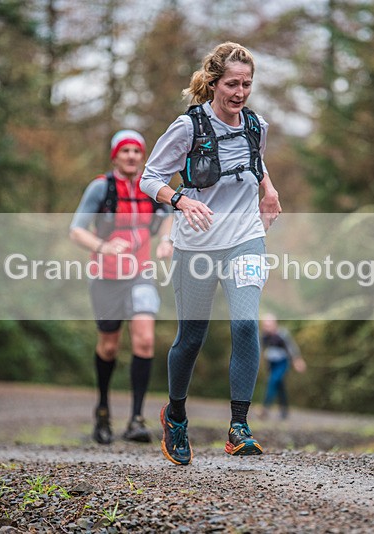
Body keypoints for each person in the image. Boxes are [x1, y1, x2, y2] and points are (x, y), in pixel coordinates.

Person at [140, 42, 282, 465]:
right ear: (214, 83)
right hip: (196, 244)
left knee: (244, 324)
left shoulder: (257, 125)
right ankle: (176, 415)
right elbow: (150, 177)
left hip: (245, 237)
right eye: (232, 84)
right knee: (191, 339)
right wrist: (181, 200)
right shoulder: (188, 127)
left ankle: (239, 427)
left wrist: (268, 187)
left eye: (247, 85)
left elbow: (254, 160)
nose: (240, 93)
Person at [70, 129, 172, 445]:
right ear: (115, 156)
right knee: (109, 345)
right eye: (125, 151)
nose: (131, 157)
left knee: (144, 339)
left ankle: (137, 420)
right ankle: (102, 411)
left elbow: (170, 214)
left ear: (143, 157)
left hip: (141, 273)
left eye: (136, 152)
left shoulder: (152, 187)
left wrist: (166, 240)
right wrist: (103, 247)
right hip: (105, 275)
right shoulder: (101, 188)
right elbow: (76, 230)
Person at [259, 313, 306, 420]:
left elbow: (291, 348)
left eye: (268, 325)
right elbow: (260, 348)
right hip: (271, 363)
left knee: (273, 380)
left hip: (282, 362)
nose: (266, 328)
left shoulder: (282, 334)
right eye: (265, 326)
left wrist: (297, 360)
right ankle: (284, 410)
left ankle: (265, 407)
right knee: (280, 385)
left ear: (275, 324)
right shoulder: (264, 336)